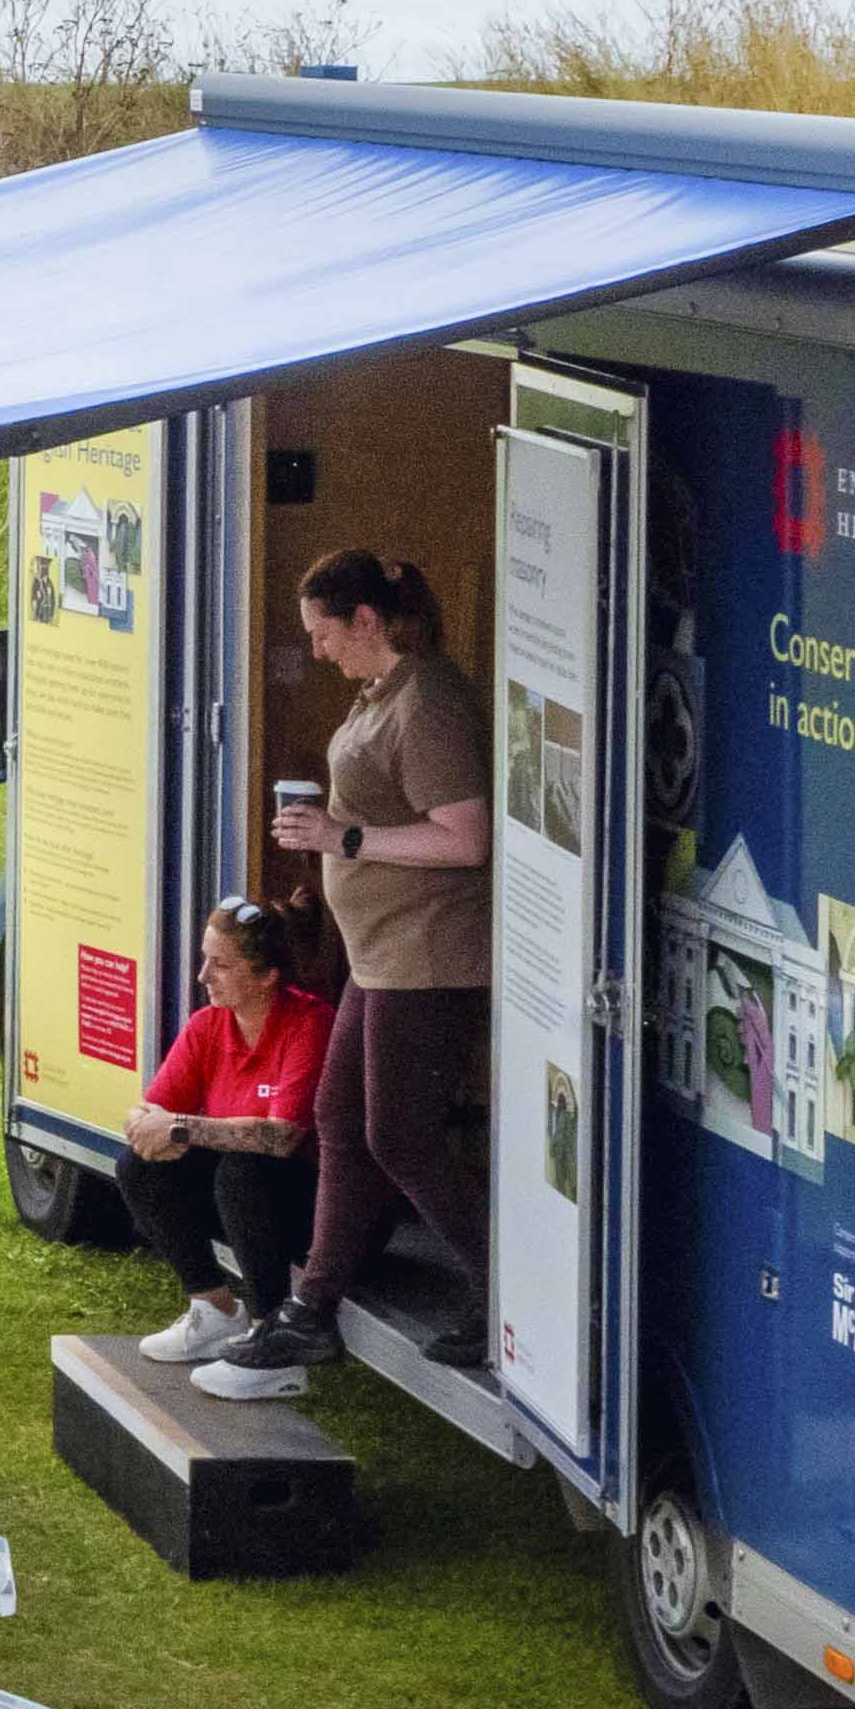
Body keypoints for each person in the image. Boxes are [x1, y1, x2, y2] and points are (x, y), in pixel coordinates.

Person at [244, 545, 496, 1386]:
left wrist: (342, 840)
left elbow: (466, 837)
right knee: (341, 1123)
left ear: (367, 620)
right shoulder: (382, 692)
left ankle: (507, 1296)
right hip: (379, 952)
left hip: (429, 958)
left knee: (401, 1138)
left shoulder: (428, 702)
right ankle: (312, 1308)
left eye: (324, 633)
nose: (317, 650)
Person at [125, 894, 339, 1380]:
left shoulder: (310, 1024)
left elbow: (283, 1138)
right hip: (246, 1203)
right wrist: (146, 1124)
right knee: (139, 1165)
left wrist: (180, 1127)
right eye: (205, 959)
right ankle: (215, 1313)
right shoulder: (208, 1025)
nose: (203, 976)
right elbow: (148, 1110)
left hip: (318, 1213)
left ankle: (274, 1340)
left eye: (220, 965)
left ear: (267, 977)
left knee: (245, 1171)